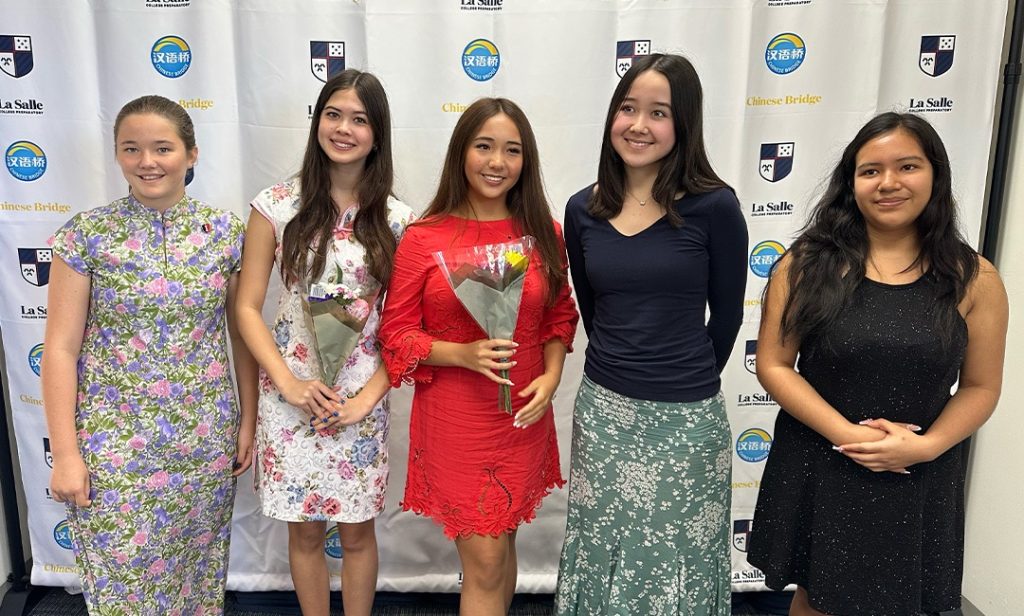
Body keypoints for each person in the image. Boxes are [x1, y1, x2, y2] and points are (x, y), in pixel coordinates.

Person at [747, 112, 1008, 616]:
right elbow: (774, 365)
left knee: (901, 601)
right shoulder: (804, 266)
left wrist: (926, 445)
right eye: (870, 171)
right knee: (817, 599)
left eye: (907, 166)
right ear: (852, 183)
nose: (888, 183)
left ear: (935, 174)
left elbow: (980, 387)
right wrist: (851, 436)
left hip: (918, 471)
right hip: (822, 460)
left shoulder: (975, 278)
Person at [42, 94, 258, 613]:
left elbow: (241, 336)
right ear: (117, 155)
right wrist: (66, 454)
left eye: (163, 148)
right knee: (122, 586)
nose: (147, 162)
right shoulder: (86, 236)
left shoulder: (225, 233)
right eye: (131, 148)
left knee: (196, 580)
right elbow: (60, 348)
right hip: (113, 443)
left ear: (191, 154)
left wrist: (247, 420)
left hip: (203, 439)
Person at [556, 53, 748, 615]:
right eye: (628, 109)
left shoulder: (716, 207)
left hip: (687, 420)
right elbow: (594, 310)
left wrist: (679, 378)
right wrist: (626, 371)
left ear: (683, 123)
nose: (638, 125)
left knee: (677, 558)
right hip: (604, 414)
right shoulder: (582, 209)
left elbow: (728, 318)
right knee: (601, 549)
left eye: (658, 113)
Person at [378, 97, 578, 615]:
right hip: (457, 420)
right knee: (486, 561)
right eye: (484, 146)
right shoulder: (424, 237)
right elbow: (396, 334)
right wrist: (461, 353)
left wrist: (552, 376)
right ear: (461, 152)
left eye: (512, 150)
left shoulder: (545, 233)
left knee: (503, 546)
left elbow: (560, 315)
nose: (497, 162)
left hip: (523, 415)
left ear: (526, 161)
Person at [235, 69, 413, 616]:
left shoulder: (399, 221)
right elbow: (247, 306)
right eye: (333, 114)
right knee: (306, 532)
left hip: (360, 399)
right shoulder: (276, 205)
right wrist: (288, 384)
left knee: (357, 533)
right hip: (291, 395)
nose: (343, 129)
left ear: (377, 135)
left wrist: (367, 400)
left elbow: (404, 329)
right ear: (317, 122)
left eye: (359, 120)